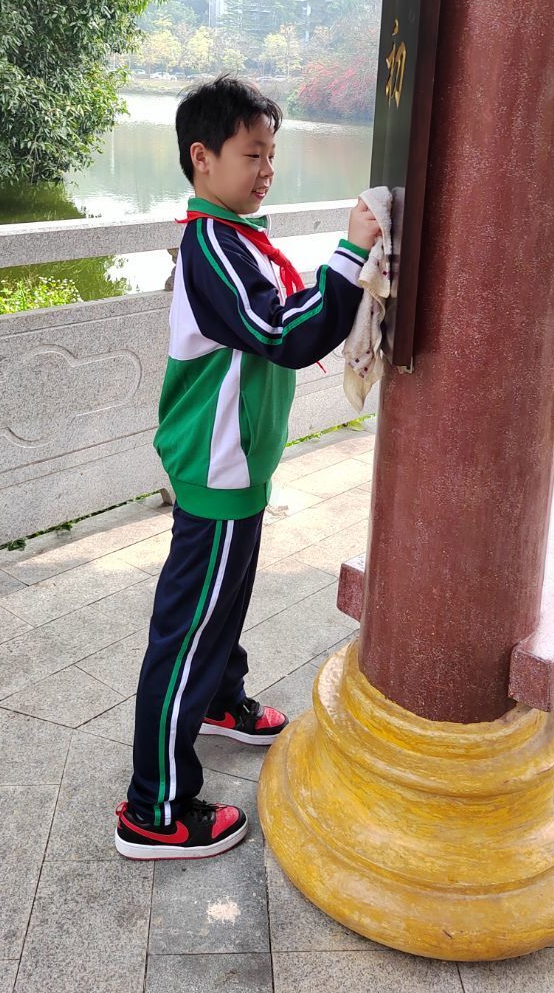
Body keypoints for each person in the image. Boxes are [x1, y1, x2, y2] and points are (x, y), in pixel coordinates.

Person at [115, 74, 382, 860]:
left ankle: (219, 699)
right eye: (252, 154)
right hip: (217, 466)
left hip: (237, 463)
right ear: (202, 158)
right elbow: (284, 332)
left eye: (271, 154)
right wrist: (351, 252)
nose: (267, 170)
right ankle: (154, 810)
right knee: (186, 632)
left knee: (220, 606)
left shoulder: (235, 238)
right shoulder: (212, 248)